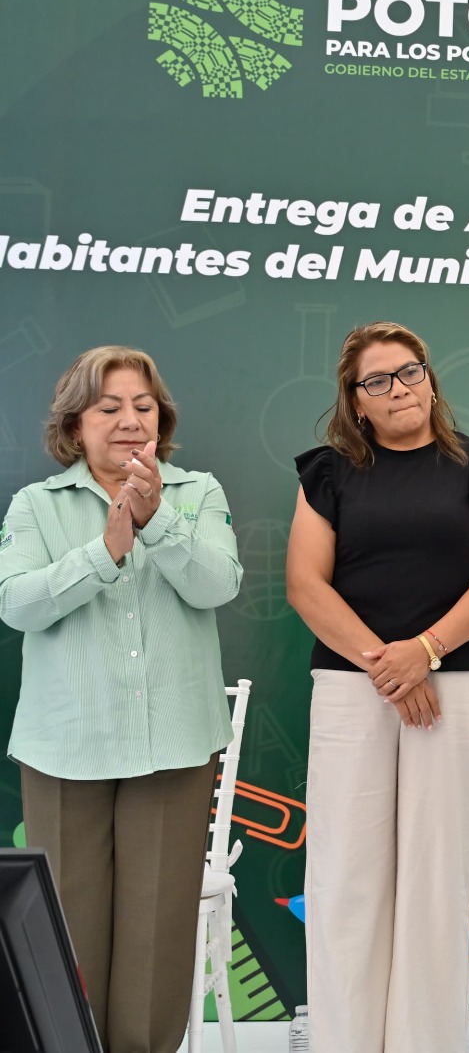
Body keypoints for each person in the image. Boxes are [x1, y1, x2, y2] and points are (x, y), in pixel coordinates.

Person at [286, 321, 469, 1053]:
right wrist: (385, 665)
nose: (399, 389)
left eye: (410, 371)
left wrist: (425, 651)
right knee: (346, 881)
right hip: (355, 689)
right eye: (378, 380)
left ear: (430, 378)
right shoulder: (329, 472)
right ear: (355, 401)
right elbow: (303, 584)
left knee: (434, 887)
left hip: (449, 689)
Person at [0, 346, 241, 1053]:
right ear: (75, 426)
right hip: (63, 750)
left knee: (157, 936)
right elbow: (16, 603)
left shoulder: (198, 493)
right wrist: (103, 553)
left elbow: (218, 585)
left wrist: (158, 519)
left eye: (143, 407)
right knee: (65, 933)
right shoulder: (35, 505)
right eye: (109, 408)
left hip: (172, 748)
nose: (130, 421)